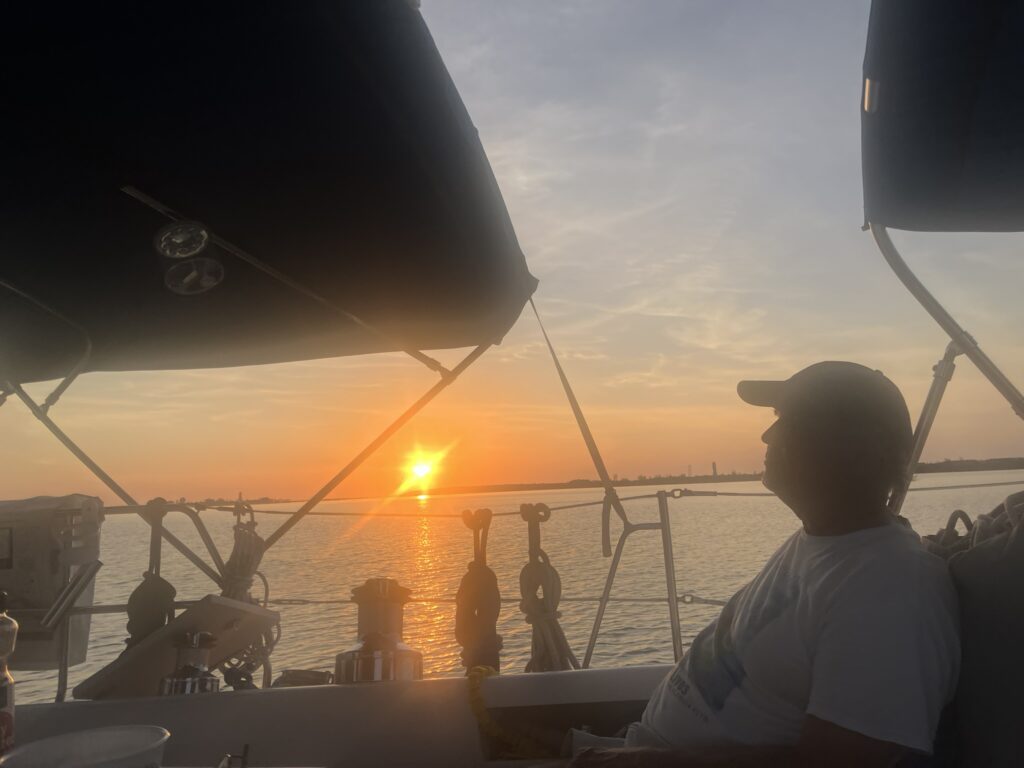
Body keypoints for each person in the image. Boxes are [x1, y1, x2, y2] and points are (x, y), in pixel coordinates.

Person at [572, 361, 960, 768]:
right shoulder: (827, 543)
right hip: (639, 745)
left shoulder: (890, 590)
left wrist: (643, 763)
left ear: (848, 446)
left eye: (787, 421)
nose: (767, 434)